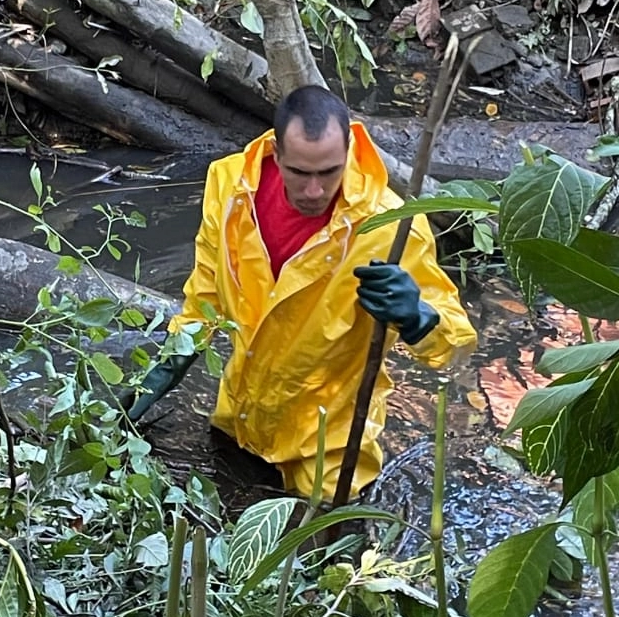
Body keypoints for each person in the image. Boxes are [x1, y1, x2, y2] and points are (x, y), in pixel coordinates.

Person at [121, 85, 477, 502]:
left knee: (322, 552)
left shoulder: (390, 228)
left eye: (329, 172)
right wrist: (161, 373)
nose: (314, 191)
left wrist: (418, 317)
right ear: (276, 151)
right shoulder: (231, 188)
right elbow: (205, 296)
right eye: (299, 173)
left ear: (348, 151)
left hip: (328, 452)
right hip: (239, 418)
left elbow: (457, 349)